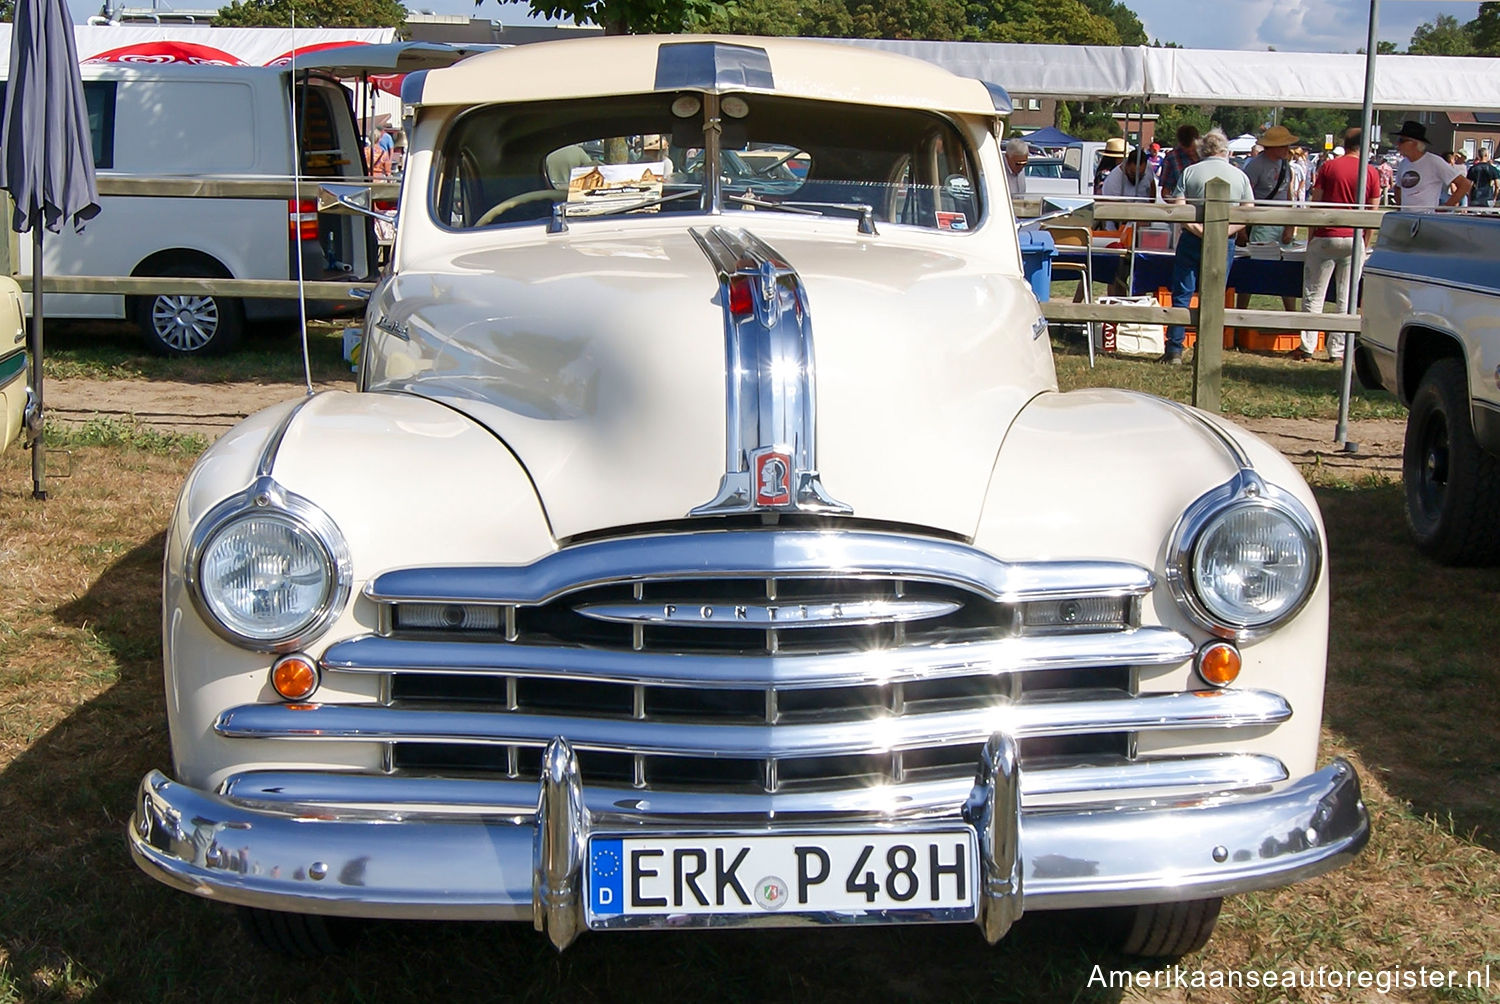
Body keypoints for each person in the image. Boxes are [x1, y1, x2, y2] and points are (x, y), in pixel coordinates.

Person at [1163, 129, 1254, 365]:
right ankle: (1203, 349)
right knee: (1212, 296)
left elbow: (1179, 208)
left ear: (1202, 150)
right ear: (1226, 150)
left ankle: (1174, 348)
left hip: (1192, 239)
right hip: (1225, 240)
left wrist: (1197, 229)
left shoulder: (1189, 172)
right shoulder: (1239, 176)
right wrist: (1224, 231)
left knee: (1182, 293)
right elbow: (1248, 211)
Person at [1298, 127, 1381, 363]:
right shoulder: (1371, 172)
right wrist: (1364, 241)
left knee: (1314, 294)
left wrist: (1311, 236)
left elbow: (1317, 202)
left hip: (1326, 234)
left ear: (1345, 143)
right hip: (1354, 238)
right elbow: (1373, 212)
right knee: (1347, 297)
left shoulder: (1329, 167)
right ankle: (1337, 350)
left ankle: (1308, 346)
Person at [1393, 121, 1472, 208]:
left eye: (1401, 140)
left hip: (1427, 217)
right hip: (1408, 218)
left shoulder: (1434, 161)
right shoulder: (1404, 163)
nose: (1397, 144)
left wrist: (1445, 208)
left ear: (1414, 143)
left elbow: (1465, 184)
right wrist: (1401, 207)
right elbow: (1397, 188)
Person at [1157, 124, 1200, 200]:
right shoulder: (1172, 158)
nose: (1191, 152)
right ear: (1180, 144)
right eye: (1187, 149)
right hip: (1183, 207)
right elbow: (1165, 192)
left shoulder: (1207, 154)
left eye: (1193, 149)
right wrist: (1177, 203)